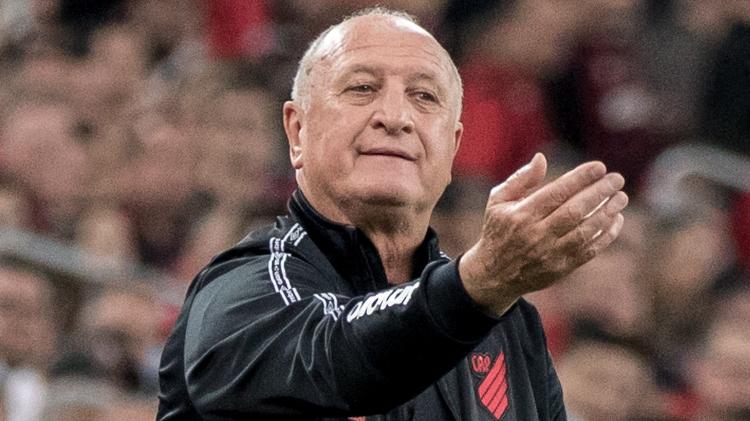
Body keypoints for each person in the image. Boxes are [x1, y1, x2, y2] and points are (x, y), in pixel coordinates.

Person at [157, 7, 627, 420]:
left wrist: (479, 288)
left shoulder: (508, 323)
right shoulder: (240, 293)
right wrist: (477, 282)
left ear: (453, 148)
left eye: (424, 97)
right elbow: (340, 356)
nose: (396, 116)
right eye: (362, 88)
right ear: (297, 131)